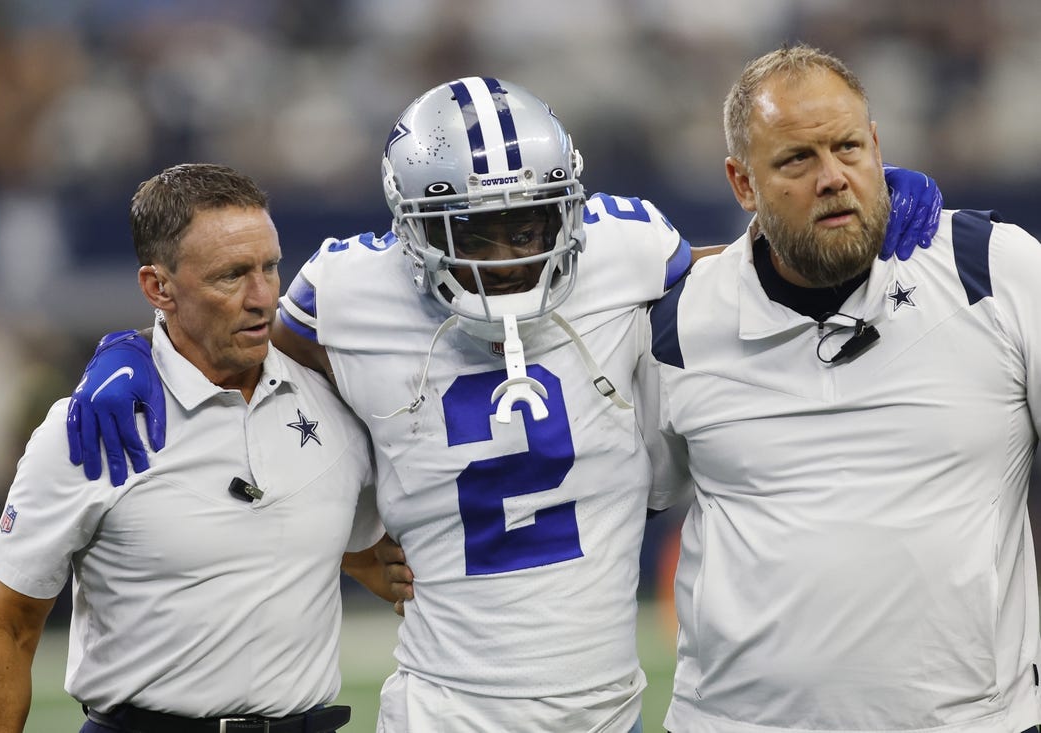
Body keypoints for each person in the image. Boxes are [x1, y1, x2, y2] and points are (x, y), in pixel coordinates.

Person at [61, 79, 941, 732]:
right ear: (411, 225)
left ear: (570, 209)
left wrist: (855, 223)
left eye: (528, 224)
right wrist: (149, 344)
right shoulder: (352, 289)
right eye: (473, 230)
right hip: (446, 708)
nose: (507, 255)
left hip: (607, 705)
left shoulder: (625, 250)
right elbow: (251, 369)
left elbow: (755, 277)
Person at [648, 44, 1041, 732]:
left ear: (878, 144)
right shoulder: (680, 322)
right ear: (743, 184)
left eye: (848, 147)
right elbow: (598, 498)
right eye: (796, 160)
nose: (831, 177)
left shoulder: (991, 270)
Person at [0, 163, 389, 733]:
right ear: (157, 287)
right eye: (231, 275)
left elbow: (371, 556)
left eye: (270, 266)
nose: (264, 297)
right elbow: (7, 625)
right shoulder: (89, 427)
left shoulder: (334, 400)